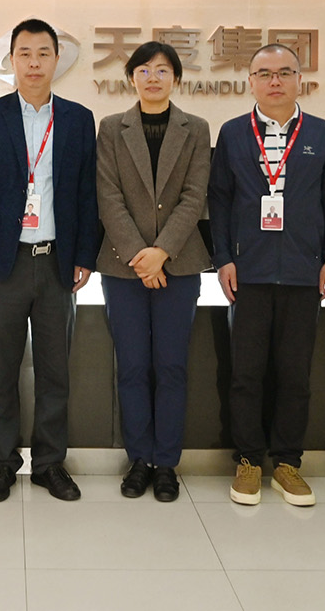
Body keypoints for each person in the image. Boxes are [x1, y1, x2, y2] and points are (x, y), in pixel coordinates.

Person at [208, 43, 325, 506]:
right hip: (247, 273)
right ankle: (249, 460)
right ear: (250, 81)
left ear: (299, 80)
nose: (275, 81)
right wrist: (223, 258)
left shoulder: (322, 133)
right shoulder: (233, 133)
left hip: (303, 273)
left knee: (295, 375)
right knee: (246, 374)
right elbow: (220, 199)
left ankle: (287, 462)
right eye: (265, 73)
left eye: (285, 72)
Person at [0, 18, 99, 502]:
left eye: (44, 53)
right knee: (1, 370)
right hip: (5, 264)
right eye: (25, 53)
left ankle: (49, 464)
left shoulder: (78, 119)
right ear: (12, 60)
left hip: (57, 261)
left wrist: (84, 254)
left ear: (57, 60)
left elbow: (86, 192)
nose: (35, 63)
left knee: (54, 372)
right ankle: (1, 464)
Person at [95, 42, 212, 502]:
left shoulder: (196, 128)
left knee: (171, 366)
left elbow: (195, 196)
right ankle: (139, 459)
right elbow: (108, 197)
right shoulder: (111, 128)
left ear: (176, 79)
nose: (153, 78)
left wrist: (161, 252)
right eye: (143, 70)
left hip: (179, 266)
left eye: (162, 70)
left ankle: (166, 463)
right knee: (132, 367)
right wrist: (139, 255)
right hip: (122, 267)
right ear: (131, 78)